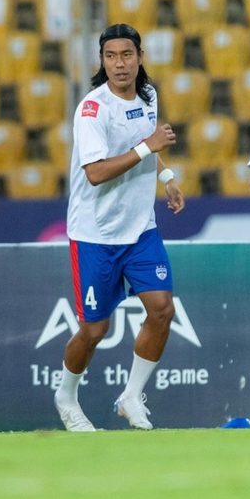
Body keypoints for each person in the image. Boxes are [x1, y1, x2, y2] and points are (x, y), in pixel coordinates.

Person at [53, 23, 185, 432]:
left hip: (140, 229)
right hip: (96, 234)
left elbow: (145, 146)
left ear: (140, 57)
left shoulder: (148, 96)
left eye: (127, 55)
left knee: (162, 309)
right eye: (110, 56)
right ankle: (66, 396)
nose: (119, 64)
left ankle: (131, 396)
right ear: (102, 61)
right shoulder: (92, 110)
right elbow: (95, 173)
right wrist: (149, 147)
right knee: (95, 329)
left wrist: (166, 177)